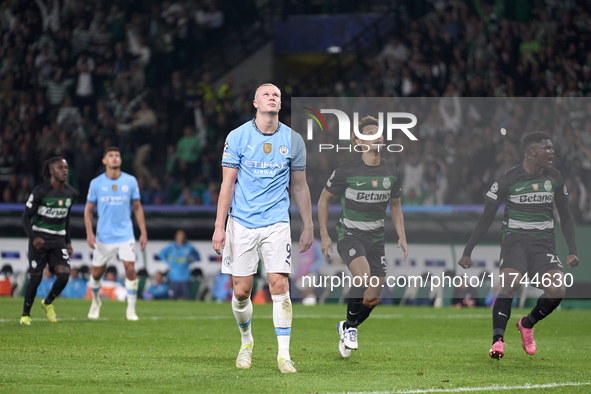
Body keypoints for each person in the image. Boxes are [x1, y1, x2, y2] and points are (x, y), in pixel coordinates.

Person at [211, 83, 313, 373]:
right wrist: (220, 227)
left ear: (280, 104)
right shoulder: (237, 137)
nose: (272, 98)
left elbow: (301, 186)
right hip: (241, 222)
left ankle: (284, 355)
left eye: (277, 95)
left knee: (280, 286)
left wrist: (308, 225)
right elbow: (227, 184)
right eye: (267, 94)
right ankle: (246, 342)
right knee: (242, 291)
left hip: (277, 223)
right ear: (255, 102)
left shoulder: (293, 140)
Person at [458, 131, 578, 359]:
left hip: (544, 244)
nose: (552, 152)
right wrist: (468, 250)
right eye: (548, 148)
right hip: (515, 242)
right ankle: (498, 342)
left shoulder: (554, 178)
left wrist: (572, 250)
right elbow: (486, 216)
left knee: (557, 290)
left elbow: (567, 215)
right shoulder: (508, 179)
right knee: (509, 283)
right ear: (532, 151)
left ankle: (527, 324)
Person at [317, 115, 408, 358]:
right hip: (350, 235)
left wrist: (402, 235)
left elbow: (396, 206)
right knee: (363, 276)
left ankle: (348, 327)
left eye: (378, 133)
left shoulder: (392, 171)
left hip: (376, 239)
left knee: (373, 299)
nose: (376, 137)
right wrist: (324, 235)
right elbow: (323, 200)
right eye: (369, 133)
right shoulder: (346, 170)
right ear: (358, 141)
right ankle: (350, 329)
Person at [85, 147, 148, 321]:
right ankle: (96, 302)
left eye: (117, 155)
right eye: (111, 156)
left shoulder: (131, 181)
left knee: (130, 268)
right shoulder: (96, 183)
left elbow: (137, 207)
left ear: (120, 160)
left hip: (125, 234)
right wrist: (89, 233)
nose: (115, 158)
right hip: (104, 236)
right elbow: (88, 210)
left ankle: (131, 309)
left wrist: (143, 232)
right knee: (97, 273)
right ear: (104, 160)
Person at [20, 157, 78, 325]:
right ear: (51, 171)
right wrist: (33, 238)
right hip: (40, 240)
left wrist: (68, 242)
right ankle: (25, 314)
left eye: (66, 167)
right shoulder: (40, 191)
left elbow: (66, 218)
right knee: (36, 278)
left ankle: (47, 302)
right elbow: (25, 218)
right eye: (60, 167)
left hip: (58, 240)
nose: (64, 170)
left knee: (64, 275)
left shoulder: (71, 193)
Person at [158, 230, 200, 300]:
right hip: (173, 278)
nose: (181, 238)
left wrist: (190, 261)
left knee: (185, 299)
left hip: (185, 278)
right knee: (172, 299)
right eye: (179, 236)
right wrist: (168, 261)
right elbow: (161, 254)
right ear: (176, 237)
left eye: (182, 236)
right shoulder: (171, 246)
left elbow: (197, 257)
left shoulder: (189, 247)